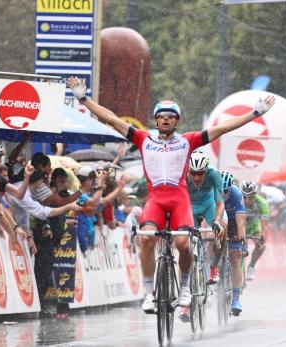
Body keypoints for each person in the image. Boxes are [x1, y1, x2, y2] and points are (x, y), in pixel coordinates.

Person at [67, 76, 275, 314]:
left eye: (171, 116)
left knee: (182, 243)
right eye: (162, 116)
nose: (166, 119)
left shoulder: (188, 141)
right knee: (146, 239)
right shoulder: (143, 138)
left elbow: (223, 128)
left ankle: (185, 287)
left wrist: (254, 114)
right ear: (156, 120)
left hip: (179, 199)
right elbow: (111, 119)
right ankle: (148, 293)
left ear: (177, 121)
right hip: (155, 199)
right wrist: (84, 99)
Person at [186, 151, 224, 282]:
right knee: (186, 238)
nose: (196, 178)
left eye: (200, 173)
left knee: (222, 231)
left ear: (206, 171)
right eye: (193, 173)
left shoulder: (214, 174)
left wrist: (218, 220)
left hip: (208, 204)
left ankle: (213, 266)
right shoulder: (182, 175)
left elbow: (220, 202)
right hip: (190, 206)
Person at [219, 171, 247, 315]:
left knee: (236, 257)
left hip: (234, 222)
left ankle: (236, 298)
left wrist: (242, 241)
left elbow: (241, 222)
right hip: (219, 220)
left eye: (225, 191)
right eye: (221, 190)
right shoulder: (213, 191)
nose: (223, 193)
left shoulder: (236, 194)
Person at [241, 180, 269, 282]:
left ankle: (251, 266)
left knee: (261, 246)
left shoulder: (262, 203)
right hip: (240, 224)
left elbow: (264, 225)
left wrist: (262, 237)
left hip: (254, 225)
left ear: (255, 195)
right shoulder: (237, 199)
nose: (247, 200)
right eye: (244, 197)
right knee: (238, 245)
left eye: (250, 197)